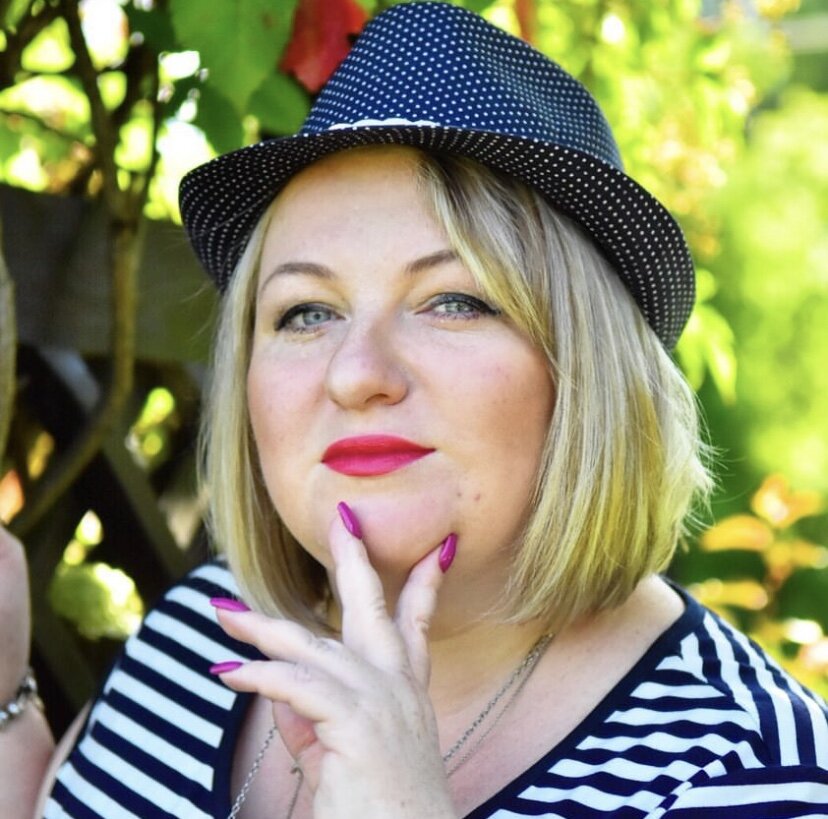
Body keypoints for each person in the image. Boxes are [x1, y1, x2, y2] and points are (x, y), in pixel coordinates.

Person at [2, 2, 827, 817]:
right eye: (306, 312)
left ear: (588, 368)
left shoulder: (756, 777)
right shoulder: (207, 628)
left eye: (453, 301)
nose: (357, 373)